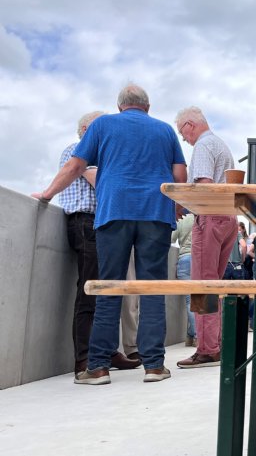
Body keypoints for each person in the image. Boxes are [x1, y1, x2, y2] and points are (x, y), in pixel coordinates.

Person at [34, 83, 187, 384]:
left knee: (109, 287)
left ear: (120, 106)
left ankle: (99, 367)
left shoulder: (103, 124)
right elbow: (179, 174)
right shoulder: (165, 130)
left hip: (113, 212)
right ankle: (154, 366)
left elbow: (76, 165)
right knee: (152, 288)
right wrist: (175, 207)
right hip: (155, 214)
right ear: (148, 107)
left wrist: (48, 193)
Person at [45, 111, 140, 377]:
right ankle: (85, 361)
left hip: (100, 225)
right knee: (89, 293)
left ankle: (107, 352)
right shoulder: (77, 150)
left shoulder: (96, 155)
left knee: (106, 293)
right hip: (85, 223)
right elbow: (102, 182)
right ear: (87, 128)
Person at [174, 106, 238, 369]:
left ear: (190, 125)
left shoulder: (202, 146)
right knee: (214, 286)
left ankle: (208, 348)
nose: (184, 139)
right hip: (228, 218)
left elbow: (203, 183)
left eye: (182, 133)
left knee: (202, 286)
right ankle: (214, 343)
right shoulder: (220, 145)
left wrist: (182, 202)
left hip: (210, 217)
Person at [172, 212, 196, 347]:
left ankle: (193, 335)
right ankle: (194, 335)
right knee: (202, 299)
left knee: (189, 300)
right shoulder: (204, 216)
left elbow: (171, 238)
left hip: (184, 259)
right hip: (201, 259)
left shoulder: (183, 219)